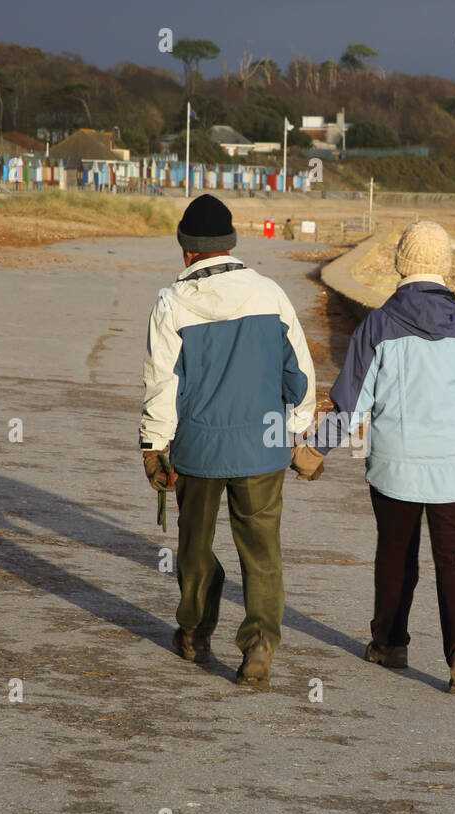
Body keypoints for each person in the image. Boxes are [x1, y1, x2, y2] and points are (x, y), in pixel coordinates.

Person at [291, 221, 455, 695]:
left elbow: (350, 404)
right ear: (445, 266)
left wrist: (312, 450)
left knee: (396, 553)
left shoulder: (379, 325)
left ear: (400, 264)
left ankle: (390, 643)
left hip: (396, 466)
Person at [141, 195, 317, 689]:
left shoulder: (171, 303)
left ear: (188, 250)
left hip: (198, 449)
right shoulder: (271, 295)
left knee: (195, 544)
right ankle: (259, 642)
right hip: (262, 449)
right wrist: (299, 428)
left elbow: (163, 382)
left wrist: (153, 447)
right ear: (230, 245)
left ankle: (195, 634)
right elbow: (299, 375)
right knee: (261, 550)